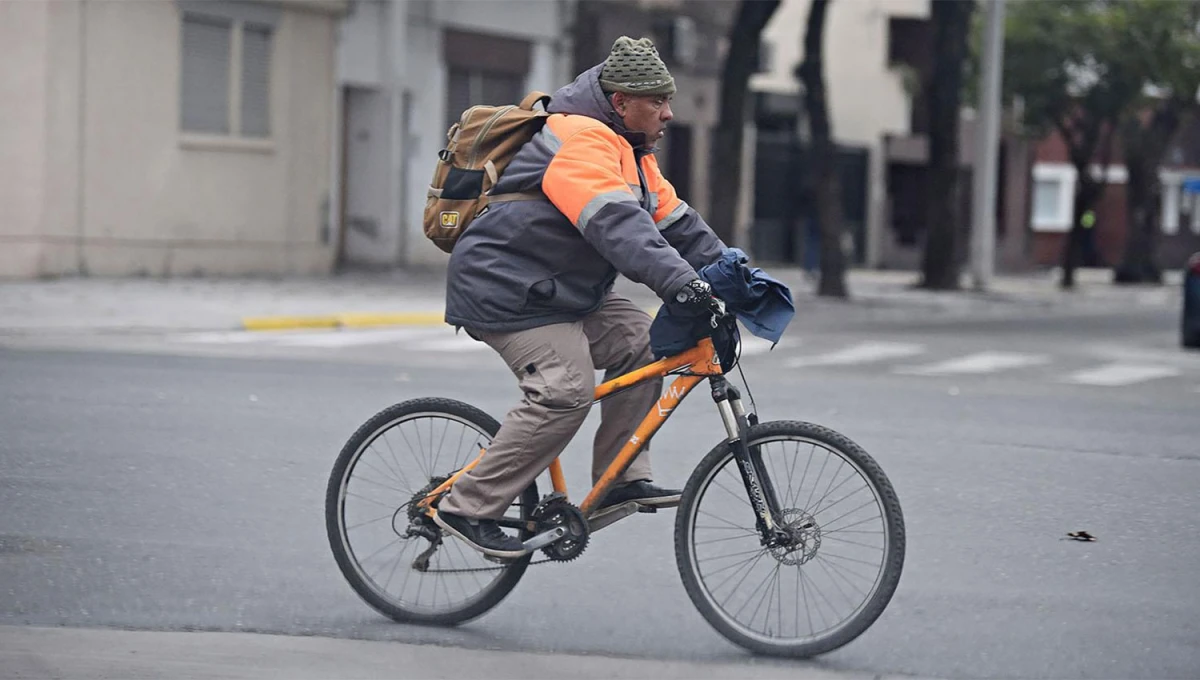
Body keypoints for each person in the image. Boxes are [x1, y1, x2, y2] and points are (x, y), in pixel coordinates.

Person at [433, 36, 728, 558]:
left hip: (560, 289)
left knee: (646, 342)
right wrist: (684, 284)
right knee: (566, 389)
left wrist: (735, 274)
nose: (669, 112)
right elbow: (617, 225)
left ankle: (620, 477)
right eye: (657, 102)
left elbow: (677, 223)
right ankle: (466, 507)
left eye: (668, 99)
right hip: (508, 289)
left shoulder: (633, 152)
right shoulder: (580, 139)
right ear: (620, 103)